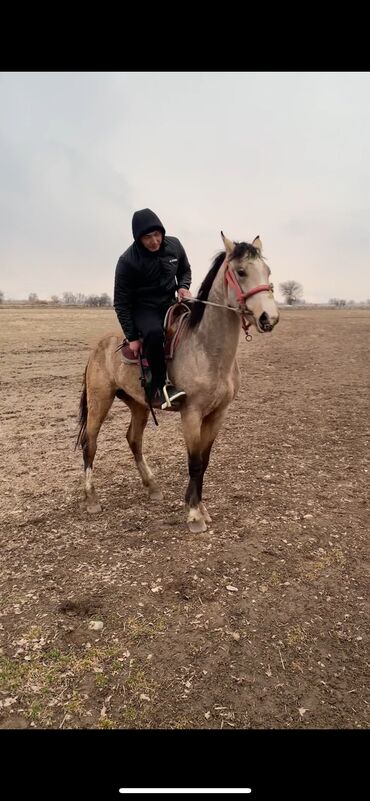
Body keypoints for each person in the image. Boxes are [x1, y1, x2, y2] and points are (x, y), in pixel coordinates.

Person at [114, 208, 192, 409]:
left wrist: (183, 286)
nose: (154, 241)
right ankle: (158, 387)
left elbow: (184, 269)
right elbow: (121, 303)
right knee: (154, 333)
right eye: (148, 237)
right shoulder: (127, 261)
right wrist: (132, 337)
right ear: (138, 238)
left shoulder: (174, 245)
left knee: (198, 319)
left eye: (157, 234)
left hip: (170, 302)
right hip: (143, 308)